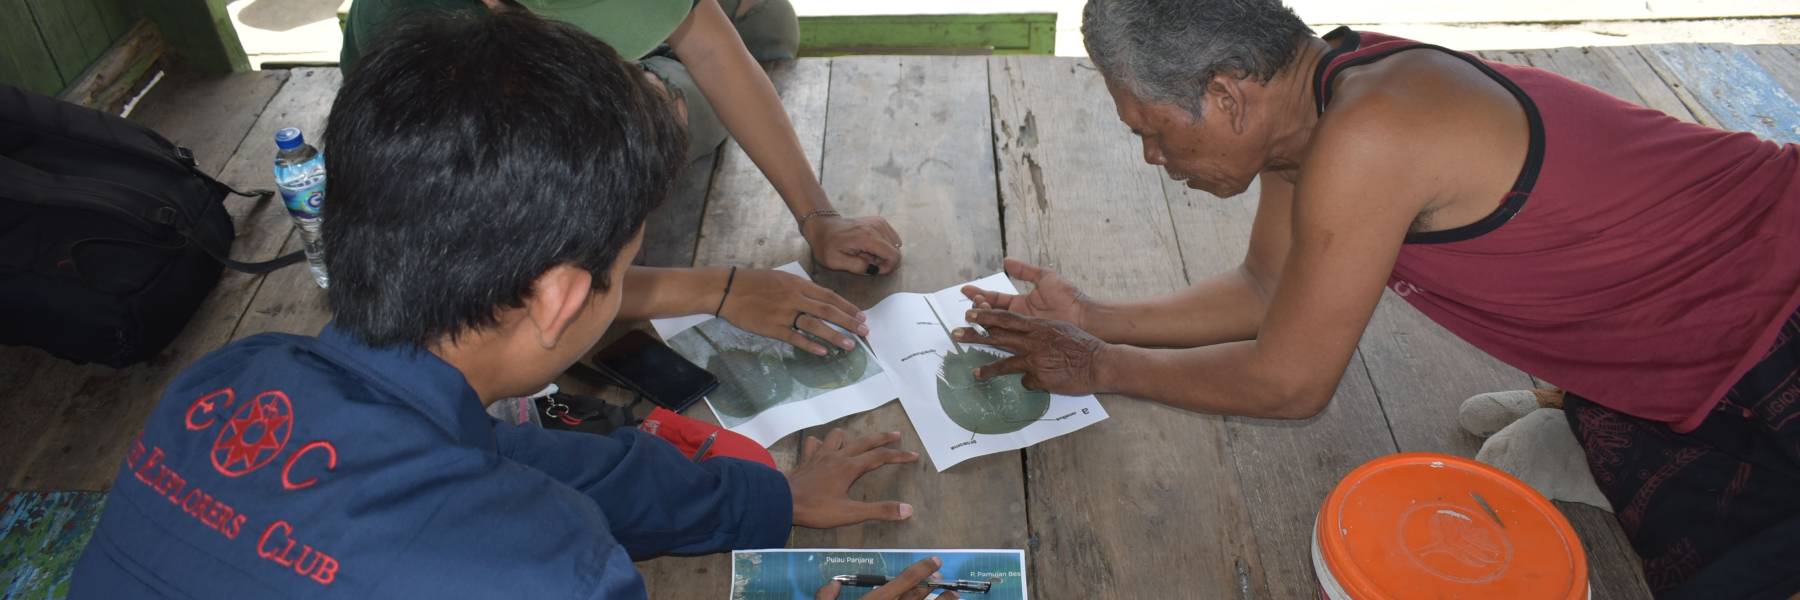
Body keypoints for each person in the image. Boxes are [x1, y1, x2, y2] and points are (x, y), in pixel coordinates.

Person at [68, 12, 936, 598]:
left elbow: (540, 464)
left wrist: (768, 505)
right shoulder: (553, 570)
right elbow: (526, 504)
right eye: (630, 260)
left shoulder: (223, 384)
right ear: (562, 297)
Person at [956, 0, 1799, 597]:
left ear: (1224, 96)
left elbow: (1290, 382)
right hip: (1684, 326)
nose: (1149, 156)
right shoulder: (1314, 106)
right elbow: (1263, 291)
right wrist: (1093, 317)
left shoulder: (1370, 134)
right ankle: (1599, 418)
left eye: (1148, 128)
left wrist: (1101, 366)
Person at [343, 0, 902, 358]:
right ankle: (653, 83)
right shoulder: (437, 65)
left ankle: (650, 72)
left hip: (550, 83)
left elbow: (709, 40)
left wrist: (818, 216)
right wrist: (720, 288)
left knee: (770, 20)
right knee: (664, 110)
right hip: (505, 118)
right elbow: (504, 282)